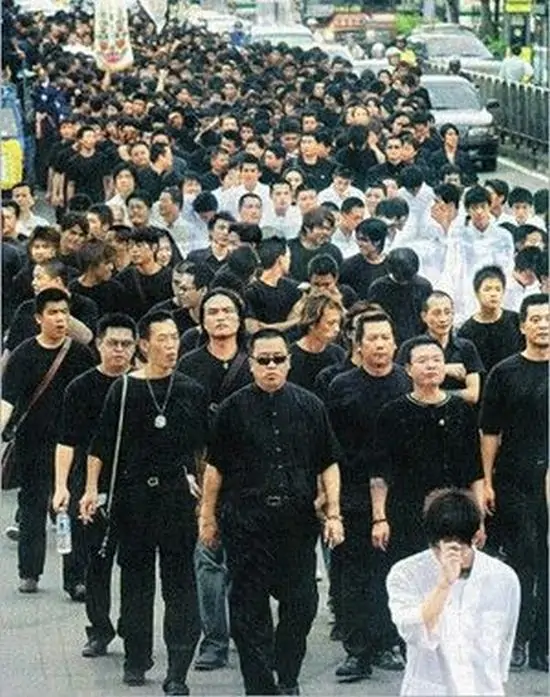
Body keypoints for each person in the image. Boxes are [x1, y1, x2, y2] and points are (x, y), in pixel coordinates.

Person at [199, 328, 345, 695]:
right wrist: (207, 517)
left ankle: (287, 674)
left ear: (289, 362)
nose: (271, 367)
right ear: (251, 364)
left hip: (296, 522)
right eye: (263, 360)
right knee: (249, 610)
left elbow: (328, 462)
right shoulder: (231, 410)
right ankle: (261, 687)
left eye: (278, 359)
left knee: (302, 604)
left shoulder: (310, 405)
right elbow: (214, 469)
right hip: (246, 522)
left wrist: (334, 513)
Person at [80, 310, 209, 693]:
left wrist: (205, 498)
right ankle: (136, 658)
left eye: (175, 338)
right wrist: (91, 490)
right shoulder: (123, 390)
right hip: (133, 497)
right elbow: (100, 446)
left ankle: (178, 670)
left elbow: (204, 450)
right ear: (144, 344)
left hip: (176, 497)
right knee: (136, 583)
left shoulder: (191, 390)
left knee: (180, 584)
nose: (171, 346)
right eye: (163, 339)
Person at [327, 311, 411, 681]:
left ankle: (388, 642)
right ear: (358, 345)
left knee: (393, 569)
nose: (380, 345)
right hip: (353, 490)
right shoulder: (341, 385)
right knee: (354, 574)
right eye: (372, 338)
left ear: (395, 342)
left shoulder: (406, 381)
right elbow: (329, 443)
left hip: (399, 490)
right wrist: (328, 498)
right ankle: (356, 651)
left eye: (386, 337)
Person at [52, 313, 137, 656]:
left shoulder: (143, 383)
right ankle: (99, 629)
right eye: (112, 343)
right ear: (99, 344)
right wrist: (61, 486)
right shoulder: (80, 387)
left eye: (126, 344)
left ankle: (133, 625)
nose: (119, 350)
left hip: (136, 485)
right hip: (90, 487)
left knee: (135, 563)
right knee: (97, 562)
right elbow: (66, 441)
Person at [177, 288, 252, 671]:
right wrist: (186, 470)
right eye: (212, 312)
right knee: (207, 555)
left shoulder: (256, 360)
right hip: (204, 467)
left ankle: (247, 633)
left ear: (239, 318)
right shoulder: (189, 365)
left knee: (247, 559)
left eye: (227, 311)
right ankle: (214, 640)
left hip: (250, 471)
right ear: (202, 320)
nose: (220, 317)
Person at [1, 288, 95, 594]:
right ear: (38, 318)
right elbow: (7, 400)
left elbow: (93, 396)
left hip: (72, 443)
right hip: (33, 443)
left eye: (64, 312)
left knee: (73, 507)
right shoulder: (23, 355)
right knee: (32, 505)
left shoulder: (80, 354)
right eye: (53, 313)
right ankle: (29, 572)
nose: (60, 319)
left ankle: (76, 579)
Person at [387, 488, 520, 696]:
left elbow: (504, 643)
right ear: (433, 543)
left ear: (476, 537)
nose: (456, 557)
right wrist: (444, 585)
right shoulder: (405, 574)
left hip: (483, 689)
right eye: (447, 548)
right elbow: (413, 632)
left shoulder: (503, 578)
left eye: (463, 548)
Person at [480, 294, 549, 672]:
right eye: (535, 319)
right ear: (522, 326)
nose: (543, 325)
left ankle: (544, 644)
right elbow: (490, 431)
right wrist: (487, 481)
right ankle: (518, 638)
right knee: (524, 557)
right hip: (515, 478)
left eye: (548, 318)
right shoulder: (504, 372)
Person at [373, 336, 485, 559]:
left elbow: (475, 470)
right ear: (408, 369)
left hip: (455, 513)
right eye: (423, 361)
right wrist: (380, 518)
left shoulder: (461, 410)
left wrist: (479, 519)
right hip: (407, 514)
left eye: (436, 359)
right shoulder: (392, 413)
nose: (431, 366)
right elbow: (380, 473)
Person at [397, 291, 485, 405]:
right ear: (424, 316)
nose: (443, 319)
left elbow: (473, 395)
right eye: (437, 313)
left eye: (447, 312)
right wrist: (444, 369)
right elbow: (403, 388)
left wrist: (434, 394)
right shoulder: (410, 347)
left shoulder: (466, 347)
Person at [458, 265, 523, 373]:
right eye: (487, 289)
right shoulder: (467, 330)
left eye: (498, 289)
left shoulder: (516, 320)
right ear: (477, 293)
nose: (493, 294)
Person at [368, 248, 433, 345]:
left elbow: (427, 313)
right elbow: (374, 317)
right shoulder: (379, 287)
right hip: (389, 339)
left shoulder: (423, 286)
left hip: (418, 337)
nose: (404, 282)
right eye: (401, 278)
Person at [289, 292, 346, 393]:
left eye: (338, 323)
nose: (337, 329)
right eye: (330, 323)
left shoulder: (339, 354)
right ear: (312, 323)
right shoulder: (291, 357)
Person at [150, 261, 213, 337]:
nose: (180, 293)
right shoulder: (173, 321)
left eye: (185, 289)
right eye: (180, 288)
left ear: (203, 290)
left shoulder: (216, 319)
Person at [340, 218, 389, 300]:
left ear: (377, 241)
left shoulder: (391, 266)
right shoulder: (349, 265)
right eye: (358, 239)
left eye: (364, 240)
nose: (359, 244)